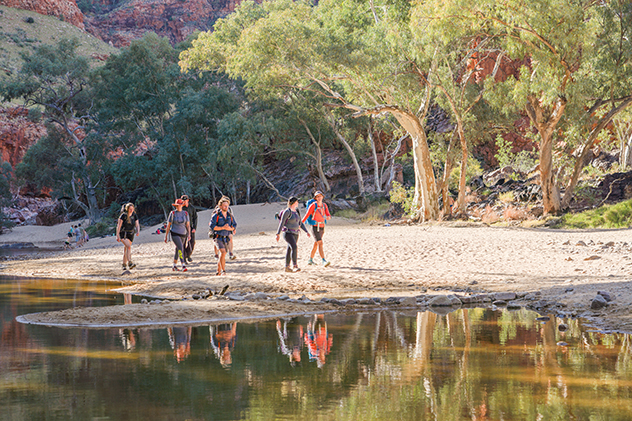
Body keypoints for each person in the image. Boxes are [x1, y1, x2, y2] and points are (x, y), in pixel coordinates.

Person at [276, 196, 310, 272]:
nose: (298, 203)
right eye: (297, 201)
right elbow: (282, 222)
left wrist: (306, 231)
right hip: (288, 233)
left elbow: (300, 223)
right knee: (294, 247)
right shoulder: (287, 211)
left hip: (296, 233)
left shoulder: (296, 211)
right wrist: (278, 233)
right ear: (294, 202)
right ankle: (295, 265)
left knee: (290, 249)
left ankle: (287, 267)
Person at [302, 191, 331, 267]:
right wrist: (301, 223)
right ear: (315, 198)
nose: (319, 197)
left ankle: (310, 260)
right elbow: (307, 215)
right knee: (320, 243)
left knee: (316, 244)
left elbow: (328, 214)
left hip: (322, 226)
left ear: (322, 197)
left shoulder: (324, 205)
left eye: (320, 196)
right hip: (314, 227)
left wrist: (328, 217)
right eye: (317, 196)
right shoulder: (313, 205)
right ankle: (323, 260)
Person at [210, 196, 237, 276]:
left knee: (223, 254)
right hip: (218, 237)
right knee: (223, 252)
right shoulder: (216, 216)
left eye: (227, 205)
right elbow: (213, 227)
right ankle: (223, 271)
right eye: (225, 205)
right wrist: (222, 227)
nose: (226, 207)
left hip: (226, 238)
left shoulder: (230, 216)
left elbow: (234, 225)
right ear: (220, 206)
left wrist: (230, 228)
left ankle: (218, 270)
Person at [165, 198, 191, 272]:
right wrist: (166, 236)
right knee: (180, 248)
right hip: (175, 233)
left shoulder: (185, 213)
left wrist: (189, 234)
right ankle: (183, 264)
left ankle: (174, 265)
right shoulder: (172, 213)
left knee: (178, 249)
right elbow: (168, 225)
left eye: (180, 205)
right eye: (177, 205)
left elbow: (188, 225)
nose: (178, 206)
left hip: (183, 233)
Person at [116, 203, 140, 270]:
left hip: (131, 234)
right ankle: (130, 262)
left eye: (132, 209)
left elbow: (137, 224)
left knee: (126, 249)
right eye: (130, 209)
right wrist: (117, 235)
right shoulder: (123, 215)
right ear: (127, 209)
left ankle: (124, 265)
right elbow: (119, 225)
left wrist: (138, 231)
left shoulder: (134, 215)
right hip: (123, 233)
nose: (131, 210)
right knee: (129, 247)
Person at [181, 195, 197, 264]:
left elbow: (195, 218)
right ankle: (184, 258)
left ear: (188, 200)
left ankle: (188, 254)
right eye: (183, 200)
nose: (184, 202)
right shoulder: (181, 208)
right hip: (182, 228)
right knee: (183, 243)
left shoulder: (192, 208)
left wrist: (194, 227)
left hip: (190, 227)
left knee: (192, 242)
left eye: (185, 200)